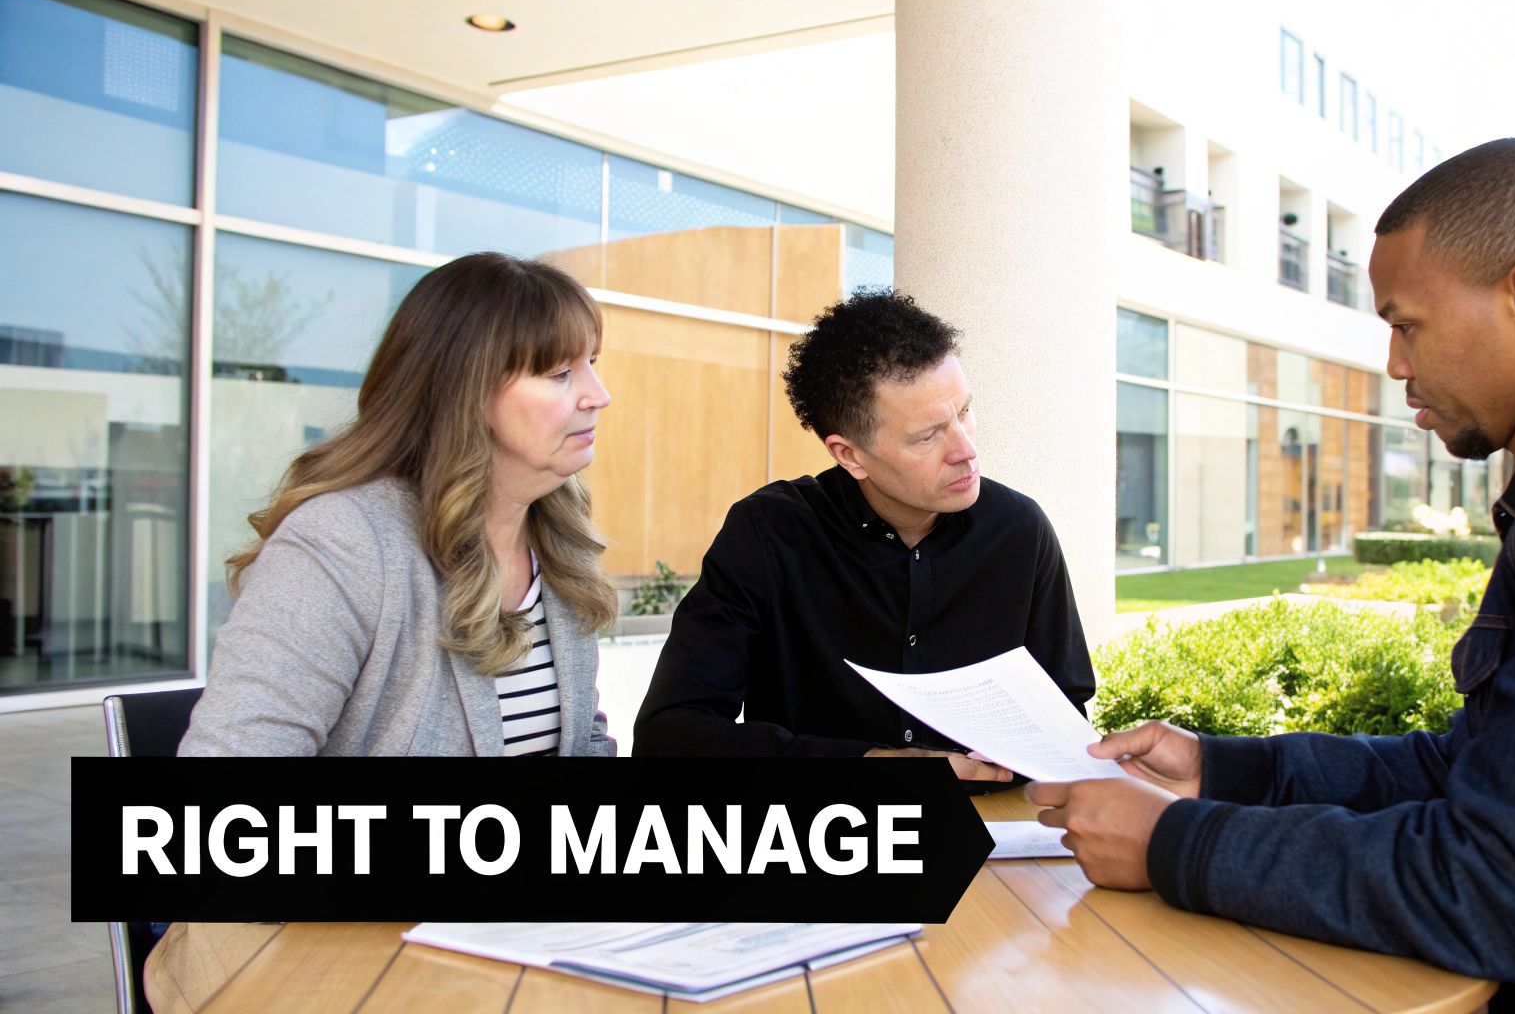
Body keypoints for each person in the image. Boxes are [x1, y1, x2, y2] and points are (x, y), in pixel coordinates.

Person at [1028, 139, 1515, 1010]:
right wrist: (1225, 771)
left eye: (1407, 324)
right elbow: (1473, 771)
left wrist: (1179, 844)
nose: (1398, 366)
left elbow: (1511, 889)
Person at [633, 290, 1094, 779]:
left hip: (997, 835)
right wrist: (872, 765)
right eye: (927, 435)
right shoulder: (768, 534)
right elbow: (670, 735)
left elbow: (1066, 718)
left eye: (963, 413)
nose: (965, 450)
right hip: (824, 838)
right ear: (849, 455)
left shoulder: (1021, 531)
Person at [180, 252, 619, 756]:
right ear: (464, 390)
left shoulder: (560, 543)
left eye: (592, 364)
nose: (598, 395)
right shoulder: (343, 544)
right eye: (560, 373)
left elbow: (583, 741)